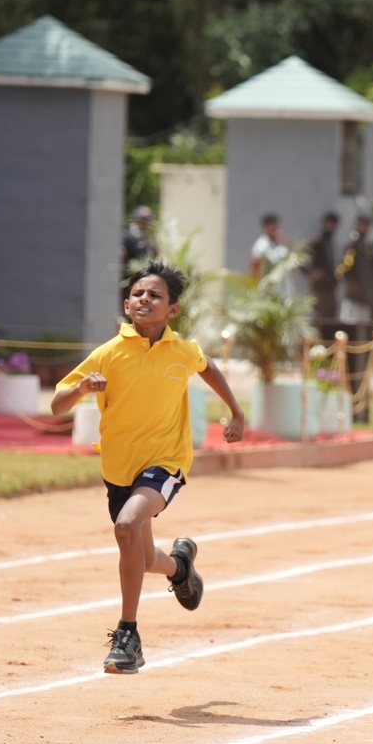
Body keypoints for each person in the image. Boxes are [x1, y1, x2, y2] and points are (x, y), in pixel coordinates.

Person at [51, 260, 247, 674]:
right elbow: (57, 404)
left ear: (172, 309)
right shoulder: (109, 353)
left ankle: (128, 636)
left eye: (155, 295)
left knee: (126, 526)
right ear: (127, 304)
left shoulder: (182, 351)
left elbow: (207, 366)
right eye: (137, 294)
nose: (145, 299)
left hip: (166, 461)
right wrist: (82, 388)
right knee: (140, 557)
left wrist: (236, 411)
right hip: (119, 466)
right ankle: (180, 568)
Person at [308, 211, 342, 338]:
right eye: (329, 223)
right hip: (320, 290)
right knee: (319, 322)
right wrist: (312, 273)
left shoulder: (332, 243)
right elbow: (301, 259)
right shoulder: (317, 242)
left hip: (331, 289)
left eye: (333, 224)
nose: (331, 226)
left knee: (331, 323)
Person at [250, 214, 290, 280]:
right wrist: (281, 246)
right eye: (273, 227)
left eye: (277, 227)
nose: (276, 230)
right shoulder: (261, 245)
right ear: (266, 227)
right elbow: (257, 266)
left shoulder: (274, 243)